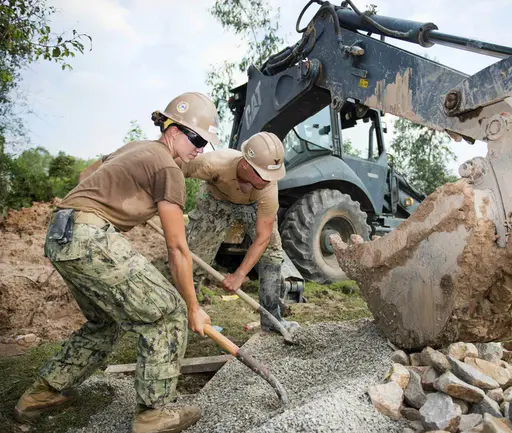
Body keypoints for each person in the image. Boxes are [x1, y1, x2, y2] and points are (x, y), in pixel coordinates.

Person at [14, 92, 218, 433]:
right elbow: (178, 249)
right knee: (168, 314)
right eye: (195, 137)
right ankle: (153, 413)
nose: (199, 147)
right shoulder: (169, 169)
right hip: (89, 237)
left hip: (60, 233)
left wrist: (117, 206)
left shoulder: (136, 148)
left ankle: (40, 395)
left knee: (105, 321)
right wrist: (193, 306)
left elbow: (85, 175)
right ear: (171, 128)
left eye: (205, 142)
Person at [180, 132, 299, 333]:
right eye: (263, 175)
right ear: (245, 164)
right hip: (215, 200)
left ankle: (271, 319)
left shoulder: (268, 189)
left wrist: (239, 274)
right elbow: (172, 168)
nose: (268, 180)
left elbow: (263, 238)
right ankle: (184, 316)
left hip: (253, 204)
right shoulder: (213, 163)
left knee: (272, 251)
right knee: (193, 256)